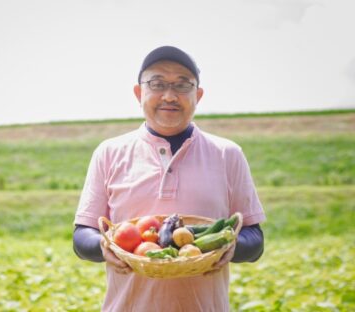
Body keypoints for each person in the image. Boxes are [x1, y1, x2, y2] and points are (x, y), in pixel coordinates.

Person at [73, 46, 266, 311]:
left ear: (198, 95)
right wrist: (105, 246)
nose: (169, 95)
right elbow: (82, 236)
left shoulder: (227, 154)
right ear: (139, 93)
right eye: (157, 83)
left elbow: (255, 239)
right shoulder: (109, 152)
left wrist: (231, 246)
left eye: (182, 85)